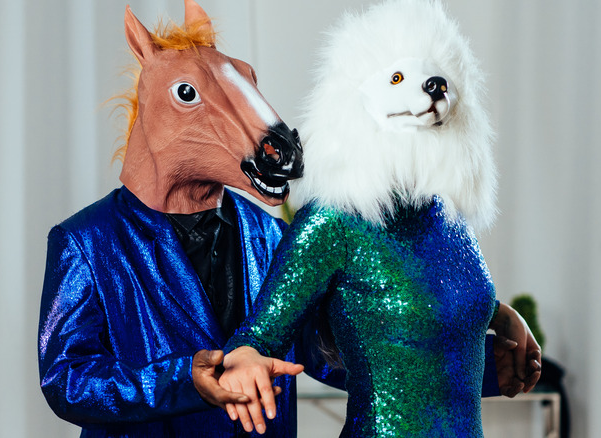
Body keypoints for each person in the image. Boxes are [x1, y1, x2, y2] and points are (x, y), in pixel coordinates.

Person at [38, 1, 536, 437]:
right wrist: (184, 378)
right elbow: (68, 381)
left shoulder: (269, 232)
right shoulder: (86, 243)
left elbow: (326, 351)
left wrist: (489, 366)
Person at [217, 0, 542, 436]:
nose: (430, 88)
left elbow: (424, 312)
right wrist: (243, 362)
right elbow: (258, 336)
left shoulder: (447, 214)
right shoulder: (332, 221)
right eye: (396, 78)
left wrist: (499, 316)